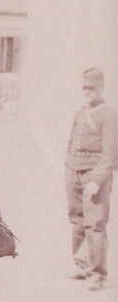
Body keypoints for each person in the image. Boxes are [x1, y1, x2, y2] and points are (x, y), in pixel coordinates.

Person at [65, 68, 118, 290]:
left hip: (94, 175)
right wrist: (69, 169)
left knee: (95, 224)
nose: (88, 92)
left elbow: (110, 154)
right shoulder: (80, 112)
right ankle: (81, 264)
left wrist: (97, 179)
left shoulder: (109, 114)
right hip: (74, 172)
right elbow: (71, 143)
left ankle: (96, 273)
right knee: (77, 220)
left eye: (92, 88)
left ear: (102, 88)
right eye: (85, 88)